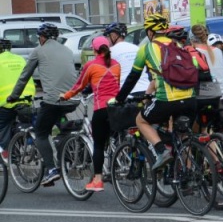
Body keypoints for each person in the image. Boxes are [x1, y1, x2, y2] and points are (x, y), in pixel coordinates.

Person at [113, 14, 198, 171]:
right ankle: (188, 173)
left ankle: (161, 151)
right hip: (191, 100)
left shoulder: (146, 49)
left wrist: (119, 99)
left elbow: (133, 77)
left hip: (167, 100)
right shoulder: (179, 46)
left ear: (150, 32)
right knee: (183, 135)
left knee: (141, 120)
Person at [6, 23, 79, 186]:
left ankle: (52, 169)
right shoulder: (67, 50)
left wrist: (14, 96)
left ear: (43, 37)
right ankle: (69, 149)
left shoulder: (38, 51)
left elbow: (24, 76)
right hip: (72, 98)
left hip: (53, 100)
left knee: (40, 132)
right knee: (59, 123)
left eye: (39, 37)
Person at [60, 36, 120, 192]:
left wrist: (65, 96)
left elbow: (79, 85)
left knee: (98, 145)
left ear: (94, 50)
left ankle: (98, 180)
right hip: (117, 109)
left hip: (101, 109)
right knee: (114, 139)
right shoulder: (116, 65)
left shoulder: (91, 65)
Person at [0, 38, 35, 161]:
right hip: (27, 98)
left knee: (2, 125)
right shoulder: (20, 59)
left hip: (7, 100)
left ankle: (6, 155)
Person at [103, 22, 149, 95]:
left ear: (114, 36)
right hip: (145, 89)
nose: (106, 39)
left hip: (125, 92)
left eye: (107, 36)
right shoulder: (137, 48)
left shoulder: (110, 52)